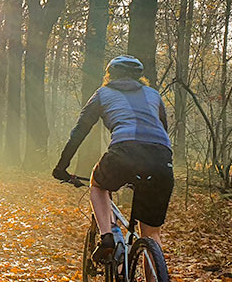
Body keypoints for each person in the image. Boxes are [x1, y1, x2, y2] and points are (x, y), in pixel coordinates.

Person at [52, 55, 173, 263]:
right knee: (152, 233)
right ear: (140, 77)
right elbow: (163, 129)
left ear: (110, 75)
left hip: (124, 152)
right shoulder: (153, 95)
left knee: (98, 184)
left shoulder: (103, 94)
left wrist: (62, 167)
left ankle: (106, 237)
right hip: (161, 158)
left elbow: (79, 132)